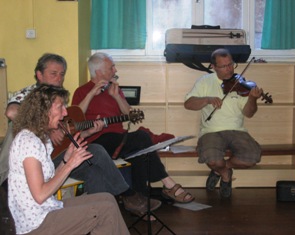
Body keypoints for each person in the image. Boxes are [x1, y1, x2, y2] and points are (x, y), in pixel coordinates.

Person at [3, 53, 161, 219]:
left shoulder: (58, 98)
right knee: (97, 150)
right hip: (33, 164)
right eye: (53, 73)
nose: (59, 78)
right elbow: (12, 111)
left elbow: (65, 137)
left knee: (94, 170)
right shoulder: (29, 94)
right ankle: (128, 194)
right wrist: (47, 127)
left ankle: (99, 219)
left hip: (55, 158)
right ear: (39, 75)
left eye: (62, 74)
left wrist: (88, 132)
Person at [71, 52, 195, 204]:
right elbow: (76, 116)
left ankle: (141, 202)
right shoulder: (82, 91)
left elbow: (128, 113)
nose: (115, 70)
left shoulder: (114, 89)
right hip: (96, 142)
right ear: (99, 72)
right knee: (142, 137)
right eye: (112, 67)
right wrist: (91, 93)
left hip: (119, 139)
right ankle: (168, 184)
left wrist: (116, 97)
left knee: (140, 153)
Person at [8, 84, 129, 235]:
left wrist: (66, 159)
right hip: (36, 224)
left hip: (48, 209)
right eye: (60, 107)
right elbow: (40, 195)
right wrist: (71, 165)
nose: (65, 113)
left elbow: (49, 181)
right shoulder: (28, 142)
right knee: (105, 211)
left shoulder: (42, 138)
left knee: (108, 199)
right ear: (43, 110)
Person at [184, 48, 262, 198]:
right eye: (224, 66)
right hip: (211, 131)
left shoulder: (241, 83)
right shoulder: (205, 81)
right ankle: (225, 175)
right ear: (213, 67)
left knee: (253, 156)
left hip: (237, 130)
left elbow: (249, 113)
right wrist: (207, 99)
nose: (229, 69)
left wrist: (252, 99)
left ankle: (222, 169)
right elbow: (188, 104)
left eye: (231, 64)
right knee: (211, 158)